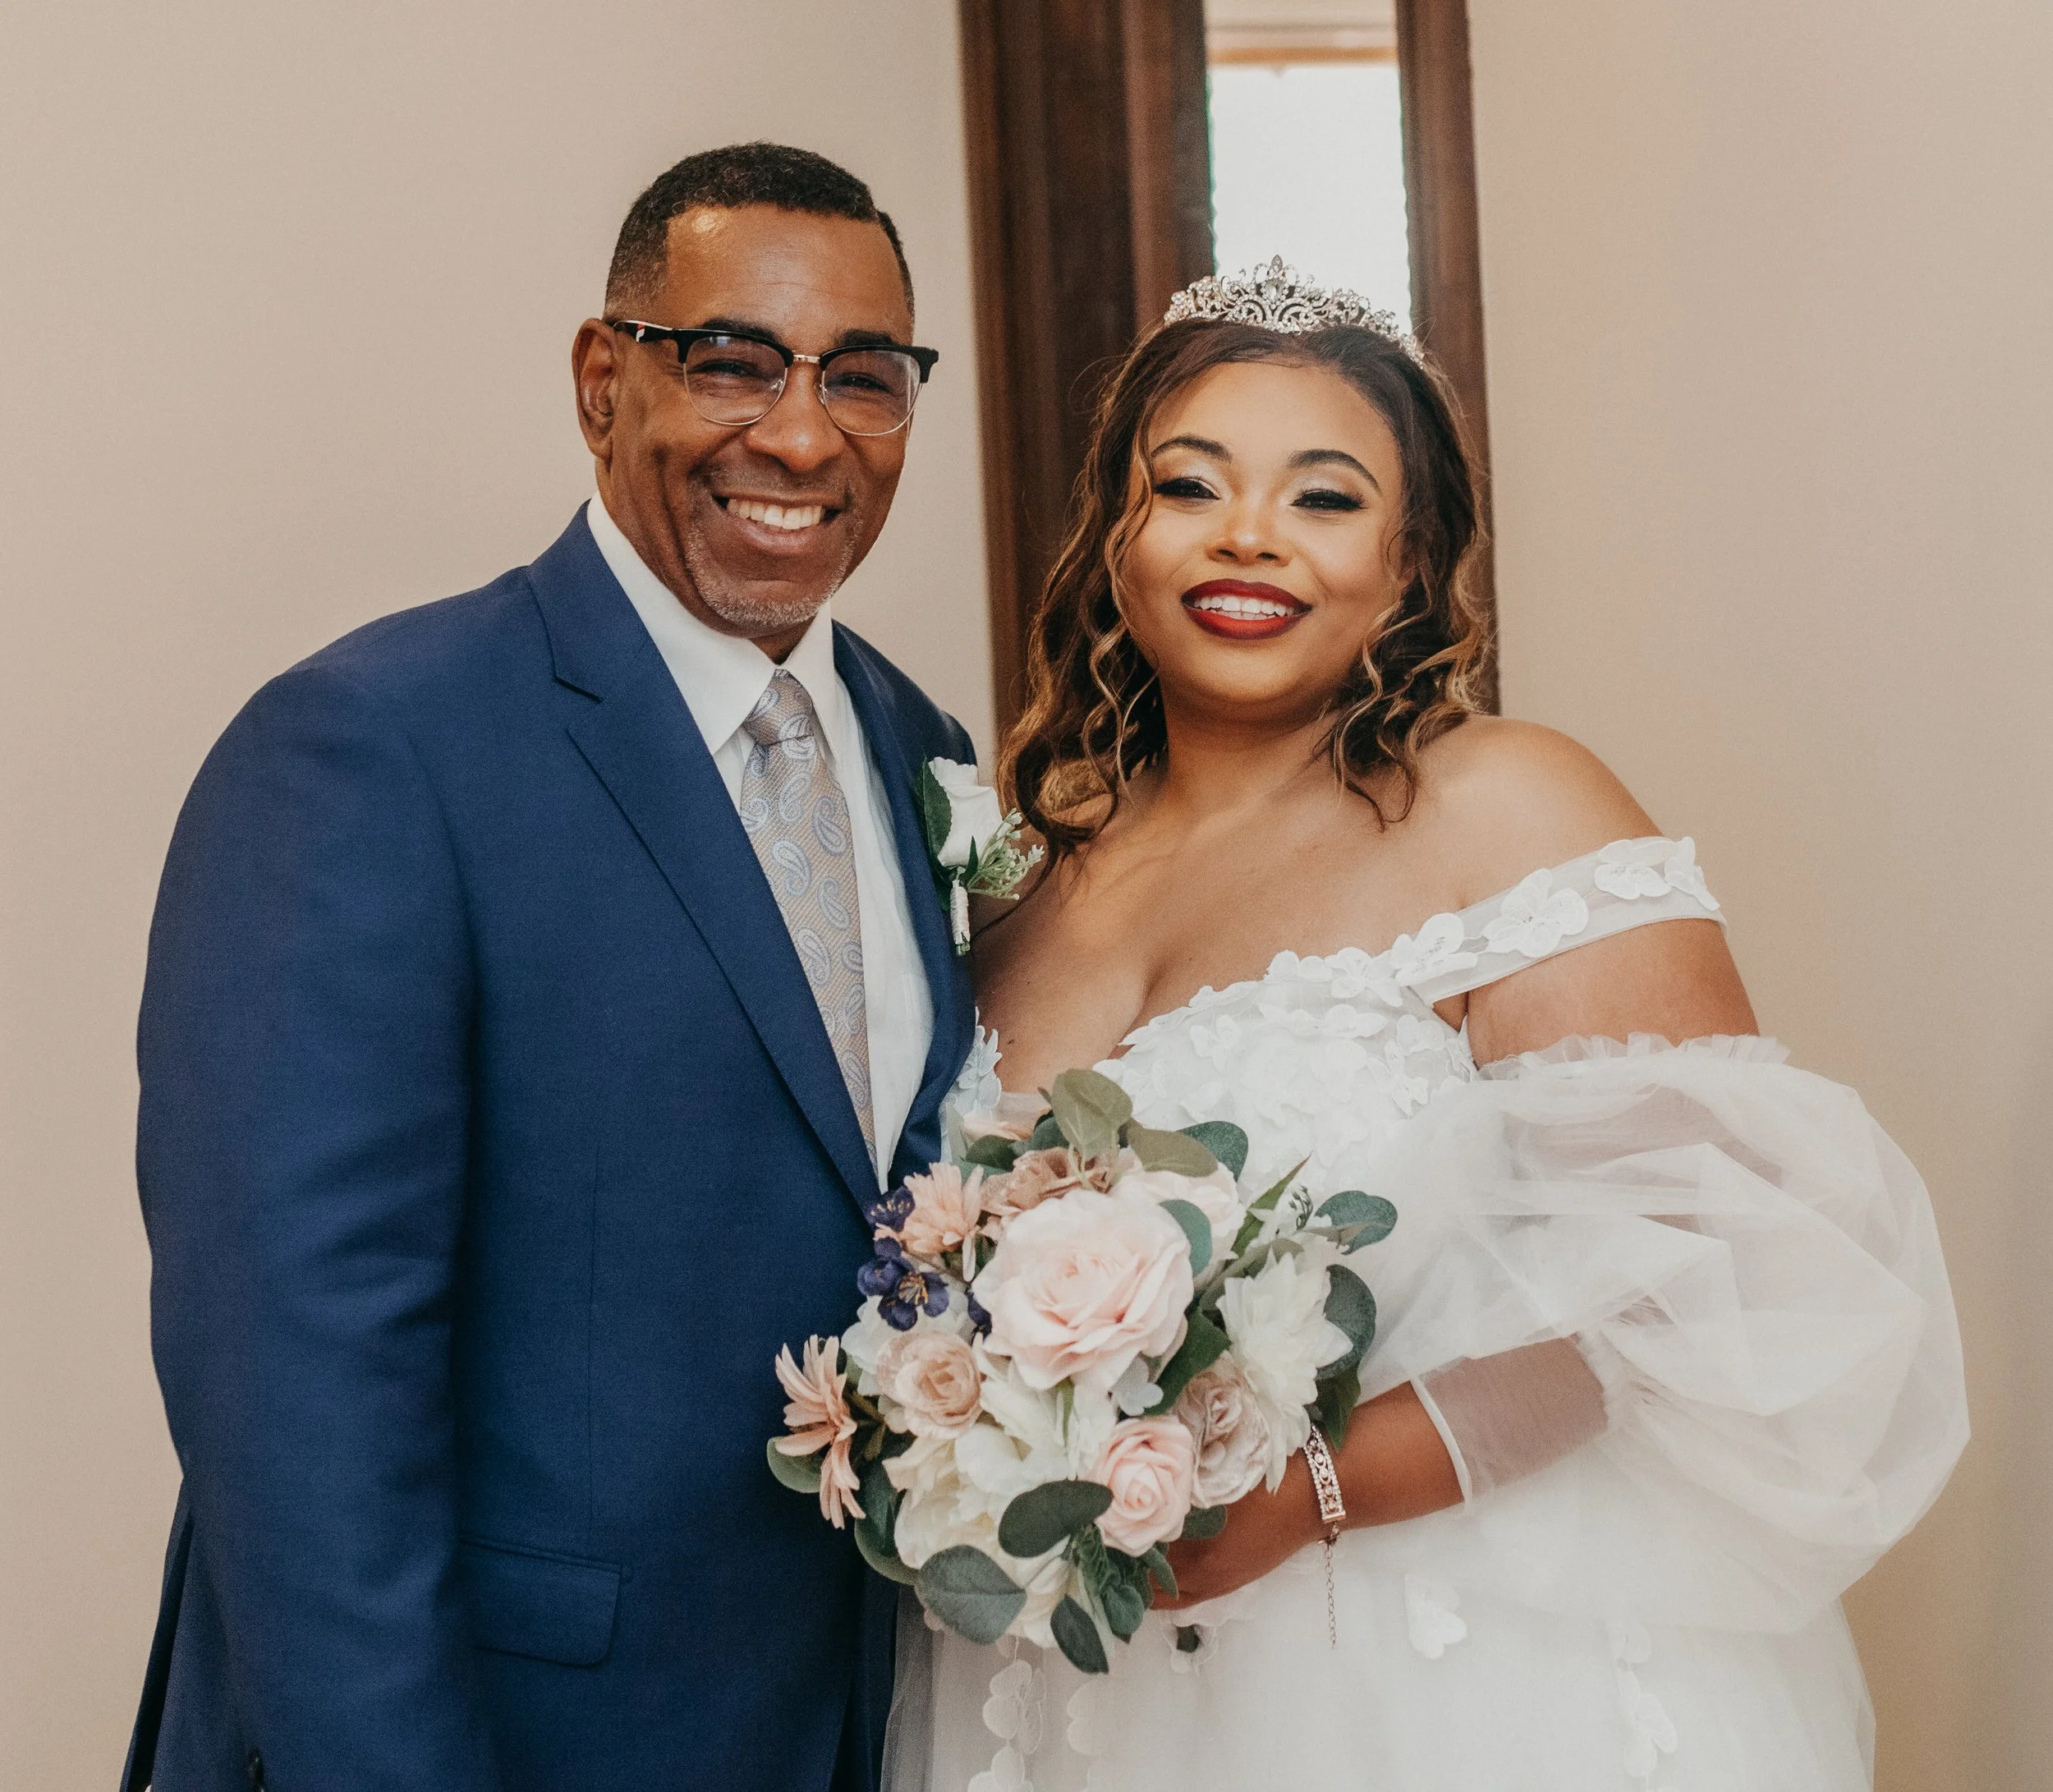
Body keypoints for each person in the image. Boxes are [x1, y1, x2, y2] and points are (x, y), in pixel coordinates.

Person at [899, 265, 1968, 1790]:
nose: (1249, 534)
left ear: (1407, 567)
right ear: (1119, 547)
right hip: (1082, 1686)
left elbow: (1690, 1284)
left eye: (1323, 499)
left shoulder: (1510, 808)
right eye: (1190, 485)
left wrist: (1302, 1494)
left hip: (1427, 1668)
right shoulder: (1018, 877)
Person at [126, 143, 976, 1792]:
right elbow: (296, 1405)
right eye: (731, 361)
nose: (801, 435)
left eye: (862, 378)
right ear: (603, 380)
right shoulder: (373, 748)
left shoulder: (919, 750)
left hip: (848, 1722)